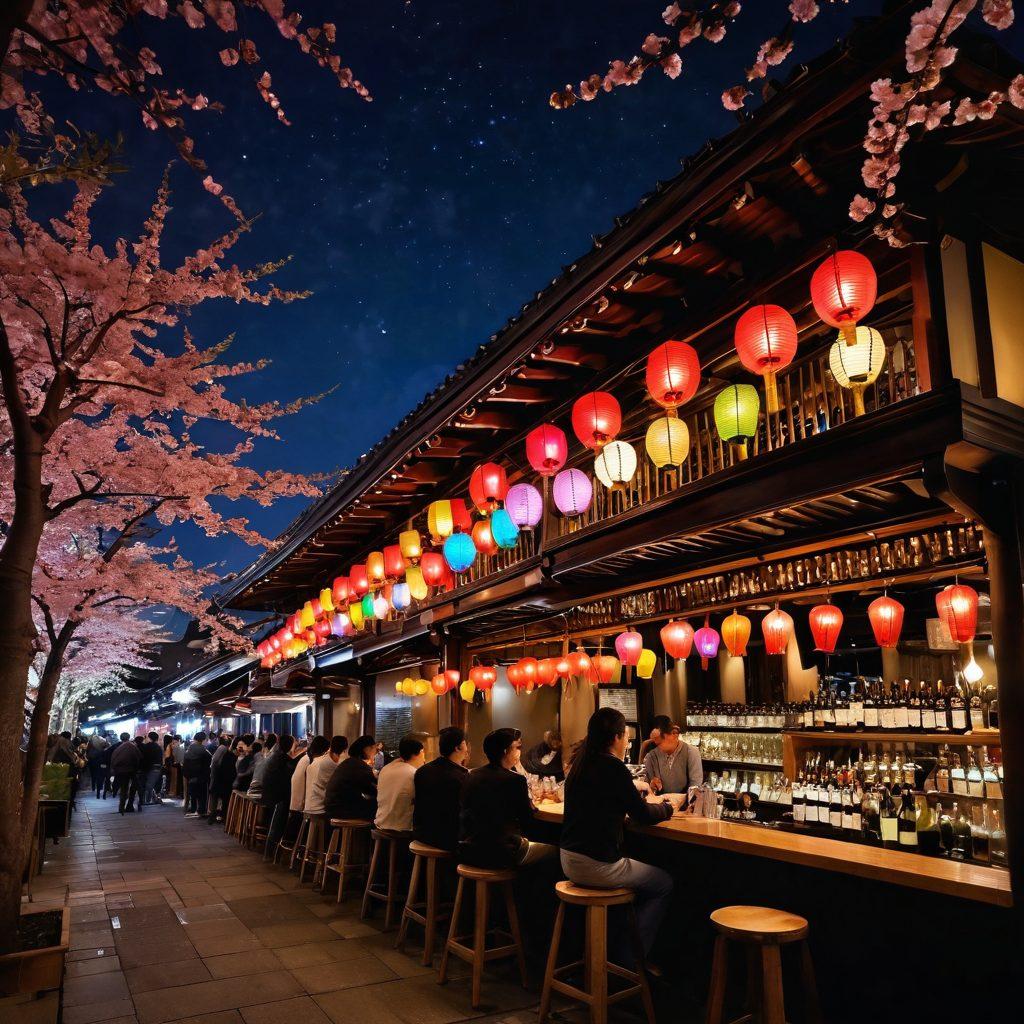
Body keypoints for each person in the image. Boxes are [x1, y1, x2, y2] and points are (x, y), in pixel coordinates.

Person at [560, 707, 682, 961]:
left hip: (569, 859)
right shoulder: (612, 767)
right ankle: (628, 959)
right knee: (663, 883)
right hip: (598, 864)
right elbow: (643, 815)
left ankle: (612, 953)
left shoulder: (581, 762)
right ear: (616, 738)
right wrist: (668, 807)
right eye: (625, 736)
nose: (627, 741)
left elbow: (606, 800)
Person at [459, 728, 556, 869]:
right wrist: (531, 808)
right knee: (555, 851)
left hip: (470, 850)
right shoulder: (515, 780)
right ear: (505, 751)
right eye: (517, 747)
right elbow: (527, 823)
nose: (520, 752)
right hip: (502, 853)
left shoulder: (470, 775)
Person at [414, 727, 470, 852]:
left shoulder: (423, 770)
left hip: (421, 834)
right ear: (458, 747)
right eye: (465, 743)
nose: (467, 749)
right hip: (447, 839)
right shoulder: (461, 776)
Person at [375, 735, 425, 834]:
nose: (424, 758)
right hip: (402, 829)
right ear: (419, 753)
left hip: (380, 824)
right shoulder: (414, 774)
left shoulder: (386, 768)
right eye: (423, 752)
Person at [324, 735, 378, 822]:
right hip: (341, 810)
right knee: (377, 806)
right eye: (375, 749)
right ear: (367, 749)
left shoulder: (349, 762)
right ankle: (364, 835)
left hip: (332, 807)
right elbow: (370, 789)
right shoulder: (359, 765)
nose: (375, 752)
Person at [641, 722, 702, 796]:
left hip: (685, 803)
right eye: (656, 743)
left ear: (674, 735)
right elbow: (647, 788)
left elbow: (695, 786)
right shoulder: (652, 756)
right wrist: (652, 786)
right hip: (661, 803)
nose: (659, 747)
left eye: (661, 741)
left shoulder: (691, 752)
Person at [260, 734, 296, 854]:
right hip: (277, 798)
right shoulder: (284, 759)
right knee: (276, 825)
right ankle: (271, 851)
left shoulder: (275, 756)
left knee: (273, 823)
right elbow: (289, 779)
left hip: (268, 795)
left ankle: (270, 849)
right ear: (290, 745)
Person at [208, 736, 241, 823]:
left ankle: (215, 816)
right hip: (222, 779)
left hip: (218, 778)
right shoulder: (226, 751)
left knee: (217, 797)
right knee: (223, 798)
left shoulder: (225, 752)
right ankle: (221, 816)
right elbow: (216, 763)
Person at [182, 732, 212, 817]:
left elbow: (185, 763)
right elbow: (209, 762)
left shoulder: (189, 749)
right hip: (201, 776)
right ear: (203, 740)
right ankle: (201, 810)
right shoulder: (204, 750)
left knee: (193, 793)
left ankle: (193, 808)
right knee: (202, 794)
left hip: (191, 776)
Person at [110, 732, 142, 814]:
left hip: (120, 771)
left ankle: (121, 807)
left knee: (124, 788)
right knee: (135, 787)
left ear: (121, 738)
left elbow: (112, 758)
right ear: (129, 737)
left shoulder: (117, 747)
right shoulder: (132, 746)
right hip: (131, 770)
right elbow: (138, 758)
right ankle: (131, 805)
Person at [139, 731, 164, 806]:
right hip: (156, 768)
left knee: (148, 785)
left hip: (148, 768)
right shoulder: (158, 747)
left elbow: (144, 758)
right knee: (150, 784)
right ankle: (149, 800)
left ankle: (147, 800)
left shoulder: (146, 746)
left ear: (149, 738)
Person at [86, 732, 109, 798]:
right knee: (100, 775)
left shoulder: (91, 745)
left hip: (92, 762)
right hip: (100, 763)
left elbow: (87, 752)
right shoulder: (103, 745)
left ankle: (94, 787)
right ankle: (99, 787)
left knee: (93, 775)